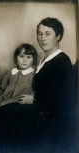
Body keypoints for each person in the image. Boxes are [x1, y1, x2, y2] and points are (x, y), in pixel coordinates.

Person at [33, 17, 77, 152]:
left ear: (58, 36)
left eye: (48, 34)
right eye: (40, 34)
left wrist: (33, 98)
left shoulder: (61, 61)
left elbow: (61, 99)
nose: (42, 38)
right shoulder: (44, 60)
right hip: (42, 111)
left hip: (53, 119)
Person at [0, 43, 38, 142]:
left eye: (28, 57)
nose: (24, 60)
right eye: (21, 56)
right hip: (5, 105)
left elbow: (38, 90)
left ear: (33, 59)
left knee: (16, 128)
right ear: (16, 58)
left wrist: (32, 97)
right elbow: (1, 90)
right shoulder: (9, 74)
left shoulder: (34, 75)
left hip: (21, 106)